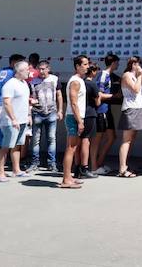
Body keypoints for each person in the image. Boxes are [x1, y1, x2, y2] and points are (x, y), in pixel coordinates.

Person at [0, 53, 24, 166]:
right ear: (14, 63)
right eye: (20, 63)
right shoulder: (12, 74)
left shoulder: (3, 70)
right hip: (1, 103)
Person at [0, 60, 32, 182]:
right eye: (27, 69)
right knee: (6, 147)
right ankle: (0, 173)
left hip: (22, 121)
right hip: (10, 122)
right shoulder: (10, 84)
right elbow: (7, 102)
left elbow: (25, 101)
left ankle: (16, 170)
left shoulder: (24, 84)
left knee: (16, 146)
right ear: (20, 71)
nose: (29, 71)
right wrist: (13, 119)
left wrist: (28, 115)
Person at [60, 55, 90, 189]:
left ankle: (69, 176)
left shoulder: (79, 80)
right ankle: (66, 179)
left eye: (87, 64)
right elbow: (73, 102)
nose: (87, 66)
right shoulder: (75, 82)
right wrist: (80, 121)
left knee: (73, 148)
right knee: (71, 148)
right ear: (77, 66)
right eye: (84, 64)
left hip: (75, 117)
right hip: (73, 117)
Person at [117, 56, 142, 177]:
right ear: (131, 64)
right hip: (130, 109)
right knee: (126, 139)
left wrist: (141, 76)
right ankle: (122, 168)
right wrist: (139, 76)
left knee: (132, 138)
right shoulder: (127, 75)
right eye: (135, 63)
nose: (138, 65)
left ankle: (126, 165)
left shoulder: (137, 76)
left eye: (139, 63)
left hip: (138, 107)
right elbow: (135, 89)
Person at [29, 59, 61, 171]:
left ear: (48, 69)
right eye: (40, 69)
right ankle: (34, 162)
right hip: (37, 112)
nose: (41, 71)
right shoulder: (33, 81)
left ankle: (52, 163)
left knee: (51, 139)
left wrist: (60, 110)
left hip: (51, 112)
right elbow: (29, 96)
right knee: (35, 139)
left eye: (44, 69)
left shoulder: (55, 79)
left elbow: (59, 95)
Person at [91, 53, 120, 174]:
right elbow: (99, 94)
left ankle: (99, 163)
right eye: (117, 63)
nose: (118, 65)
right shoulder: (103, 75)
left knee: (112, 137)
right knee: (97, 139)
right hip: (100, 111)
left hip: (107, 110)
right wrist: (114, 96)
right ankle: (93, 167)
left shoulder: (113, 76)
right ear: (113, 63)